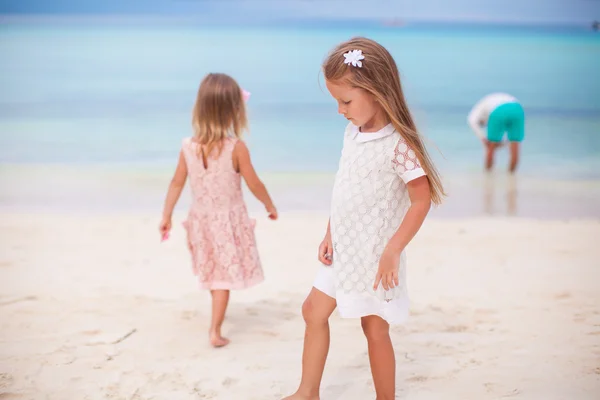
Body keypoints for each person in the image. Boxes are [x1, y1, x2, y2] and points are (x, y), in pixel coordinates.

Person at [283, 37, 445, 400]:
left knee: (374, 328)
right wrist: (329, 233)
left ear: (376, 90)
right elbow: (345, 189)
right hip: (342, 248)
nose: (341, 110)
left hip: (374, 255)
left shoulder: (398, 145)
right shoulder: (352, 134)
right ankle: (308, 392)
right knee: (313, 310)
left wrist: (394, 249)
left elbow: (421, 200)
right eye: (336, 102)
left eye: (345, 101)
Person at [159, 73, 277, 348]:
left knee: (215, 276)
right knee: (221, 279)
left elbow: (177, 182)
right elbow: (254, 183)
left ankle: (215, 323)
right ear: (234, 111)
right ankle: (215, 330)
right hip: (226, 223)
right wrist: (269, 205)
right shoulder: (237, 148)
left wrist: (166, 215)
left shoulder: (188, 147)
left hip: (200, 221)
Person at [467, 93, 525, 173]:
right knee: (515, 145)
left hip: (498, 110)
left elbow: (471, 122)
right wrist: (504, 143)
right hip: (517, 108)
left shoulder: (476, 112)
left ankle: (488, 175)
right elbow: (507, 140)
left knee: (490, 147)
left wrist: (484, 139)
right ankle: (511, 176)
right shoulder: (487, 102)